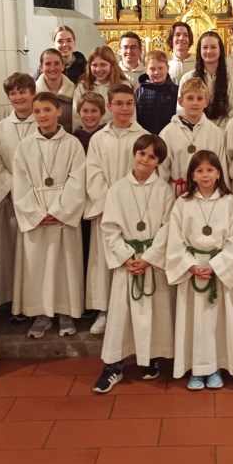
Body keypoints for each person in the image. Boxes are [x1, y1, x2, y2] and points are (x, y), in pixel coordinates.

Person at [92, 134, 176, 393]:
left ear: (159, 162)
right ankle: (114, 365)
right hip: (127, 262)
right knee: (122, 316)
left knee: (152, 314)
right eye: (142, 154)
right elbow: (109, 228)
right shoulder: (118, 188)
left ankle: (148, 358)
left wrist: (149, 258)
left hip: (151, 263)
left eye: (152, 157)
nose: (145, 159)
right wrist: (127, 256)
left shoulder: (164, 190)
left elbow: (168, 227)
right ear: (134, 154)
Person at [165, 150, 233, 390]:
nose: (205, 175)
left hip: (217, 269)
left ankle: (215, 367)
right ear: (192, 174)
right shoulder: (183, 203)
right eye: (199, 171)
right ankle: (194, 368)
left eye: (210, 170)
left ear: (219, 172)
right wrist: (190, 265)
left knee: (216, 323)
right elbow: (175, 238)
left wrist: (215, 266)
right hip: (192, 269)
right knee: (193, 322)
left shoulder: (230, 202)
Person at [11, 92, 87, 338]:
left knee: (65, 265)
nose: (42, 115)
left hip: (62, 215)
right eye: (37, 111)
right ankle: (41, 314)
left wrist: (58, 211)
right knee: (38, 266)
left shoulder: (72, 144)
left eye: (47, 110)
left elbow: (78, 181)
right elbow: (19, 183)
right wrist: (36, 213)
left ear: (59, 111)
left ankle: (65, 312)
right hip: (36, 215)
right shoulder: (25, 146)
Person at [85, 85, 147, 335]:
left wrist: (130, 202)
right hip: (106, 209)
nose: (124, 108)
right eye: (119, 103)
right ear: (109, 107)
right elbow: (93, 172)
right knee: (104, 260)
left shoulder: (143, 136)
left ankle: (131, 307)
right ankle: (105, 310)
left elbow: (146, 171)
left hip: (134, 210)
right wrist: (111, 202)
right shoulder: (98, 138)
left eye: (129, 103)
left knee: (129, 257)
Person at [0, 73, 37, 310]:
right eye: (13, 93)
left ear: (32, 93)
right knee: (12, 254)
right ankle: (13, 301)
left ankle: (35, 303)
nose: (18, 96)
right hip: (12, 202)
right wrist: (17, 187)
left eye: (22, 91)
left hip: (40, 201)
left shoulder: (45, 122)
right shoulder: (0, 130)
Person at [160, 77, 227, 198]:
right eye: (190, 98)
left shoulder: (216, 133)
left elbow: (221, 168)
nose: (195, 103)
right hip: (177, 193)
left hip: (208, 193)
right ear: (181, 101)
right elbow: (162, 170)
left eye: (200, 98)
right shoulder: (168, 133)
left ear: (206, 102)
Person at [73, 92, 106, 281]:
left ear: (102, 113)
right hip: (77, 200)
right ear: (78, 112)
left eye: (94, 110)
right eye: (85, 110)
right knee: (81, 247)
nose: (89, 115)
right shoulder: (72, 138)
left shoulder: (105, 137)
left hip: (98, 201)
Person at [180, 31, 233, 128]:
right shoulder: (187, 78)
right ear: (199, 50)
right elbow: (182, 110)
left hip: (225, 133)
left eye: (213, 47)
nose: (209, 51)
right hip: (195, 132)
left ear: (220, 50)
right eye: (205, 47)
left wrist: (217, 131)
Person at [75, 45, 127, 125]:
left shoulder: (123, 86)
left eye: (103, 65)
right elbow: (76, 117)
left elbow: (129, 115)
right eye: (94, 65)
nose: (98, 69)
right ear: (89, 66)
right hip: (88, 133)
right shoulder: (83, 86)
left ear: (112, 65)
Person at [136, 50, 179, 135]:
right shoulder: (138, 92)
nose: (157, 72)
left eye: (160, 68)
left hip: (170, 136)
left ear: (167, 68)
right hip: (146, 137)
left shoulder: (176, 91)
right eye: (152, 69)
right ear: (146, 70)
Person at [35, 48, 75, 132]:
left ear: (63, 66)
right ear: (41, 67)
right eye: (48, 64)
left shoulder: (74, 91)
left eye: (57, 63)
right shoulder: (33, 93)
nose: (52, 68)